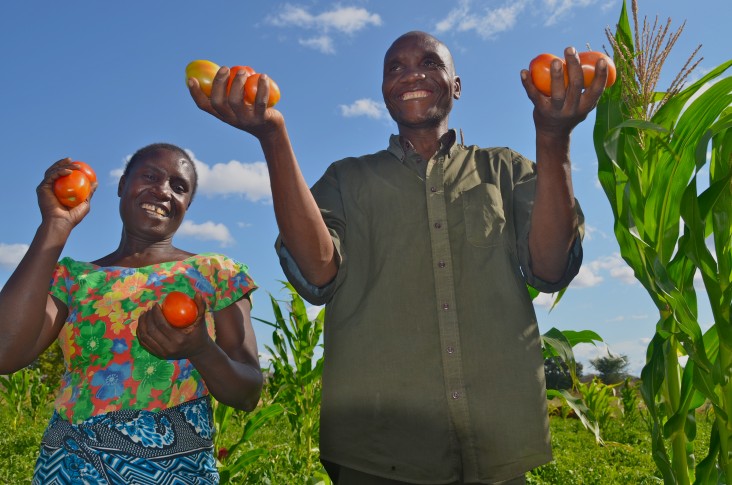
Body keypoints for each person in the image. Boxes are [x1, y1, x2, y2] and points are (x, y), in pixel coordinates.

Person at [188, 30, 608, 485]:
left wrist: (553, 136)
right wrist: (272, 135)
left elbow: (548, 268)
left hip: (496, 451)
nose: (412, 74)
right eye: (396, 68)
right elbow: (317, 272)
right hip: (377, 455)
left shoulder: (504, 169)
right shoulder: (346, 180)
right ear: (384, 91)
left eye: (430, 63)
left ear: (457, 85)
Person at [0, 143, 263, 484]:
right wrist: (55, 226)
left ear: (186, 206)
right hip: (69, 469)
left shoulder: (215, 274)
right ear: (123, 185)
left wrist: (200, 349)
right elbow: (5, 352)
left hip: (177, 473)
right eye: (150, 176)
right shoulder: (73, 278)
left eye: (179, 187)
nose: (163, 190)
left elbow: (248, 393)